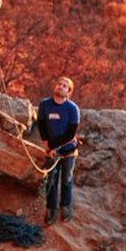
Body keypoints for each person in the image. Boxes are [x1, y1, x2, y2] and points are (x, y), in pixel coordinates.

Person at [36, 75, 80, 225]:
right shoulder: (45, 105)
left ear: (68, 92)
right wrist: (46, 144)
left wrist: (52, 146)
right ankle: (51, 208)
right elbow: (41, 124)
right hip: (51, 150)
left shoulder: (72, 109)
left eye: (64, 86)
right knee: (51, 180)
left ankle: (65, 205)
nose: (60, 86)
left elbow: (70, 133)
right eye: (59, 84)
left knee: (66, 179)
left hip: (68, 150)